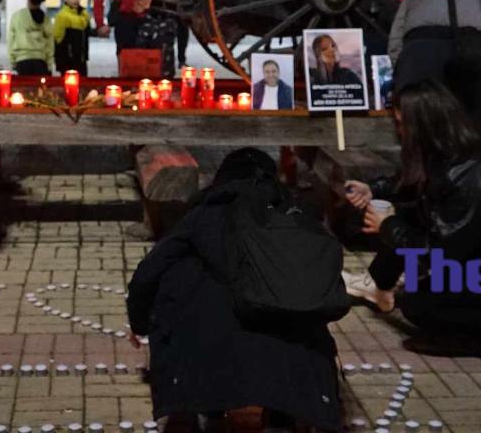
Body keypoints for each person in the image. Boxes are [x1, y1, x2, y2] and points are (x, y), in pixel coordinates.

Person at [339, 82, 481, 373]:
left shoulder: (473, 173)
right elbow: (412, 185)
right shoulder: (449, 150)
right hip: (480, 250)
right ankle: (379, 285)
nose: (399, 131)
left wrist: (387, 226)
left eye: (402, 124)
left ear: (424, 125)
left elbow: (439, 252)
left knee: (419, 303)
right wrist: (374, 189)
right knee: (408, 214)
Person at [126, 148, 344, 431]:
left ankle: (197, 407)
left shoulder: (205, 213)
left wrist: (139, 322)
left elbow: (150, 270)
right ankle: (281, 414)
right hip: (292, 355)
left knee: (183, 273)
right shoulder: (297, 216)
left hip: (208, 344)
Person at [388, 0, 481, 125]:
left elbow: (396, 34)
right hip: (473, 43)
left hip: (421, 46)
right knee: (473, 117)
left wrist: (402, 66)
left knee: (419, 119)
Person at [53, 0, 107, 75]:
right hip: (67, 61)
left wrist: (98, 32)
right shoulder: (62, 16)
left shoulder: (84, 14)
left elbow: (87, 31)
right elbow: (57, 40)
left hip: (82, 60)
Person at [9, 0, 54, 75]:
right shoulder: (46, 19)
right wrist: (50, 64)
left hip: (21, 61)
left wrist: (12, 62)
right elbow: (50, 44)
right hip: (41, 62)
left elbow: (11, 40)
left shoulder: (17, 16)